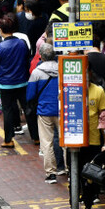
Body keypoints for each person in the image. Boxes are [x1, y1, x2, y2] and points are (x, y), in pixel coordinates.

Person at [60, 62, 105, 209]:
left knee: (91, 176)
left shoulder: (98, 91)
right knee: (73, 176)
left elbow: (104, 118)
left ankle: (88, 207)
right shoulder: (69, 90)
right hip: (74, 142)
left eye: (85, 72)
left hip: (93, 142)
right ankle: (72, 206)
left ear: (90, 73)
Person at [0, 13, 36, 148]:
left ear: (1, 30)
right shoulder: (22, 43)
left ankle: (8, 139)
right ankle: (36, 137)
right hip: (22, 81)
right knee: (28, 109)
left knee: (8, 111)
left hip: (6, 84)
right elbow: (27, 59)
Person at [27, 42, 61, 182]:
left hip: (44, 111)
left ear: (41, 56)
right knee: (65, 142)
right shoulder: (62, 69)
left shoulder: (36, 72)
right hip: (61, 110)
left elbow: (30, 95)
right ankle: (68, 170)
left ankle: (51, 173)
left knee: (47, 143)